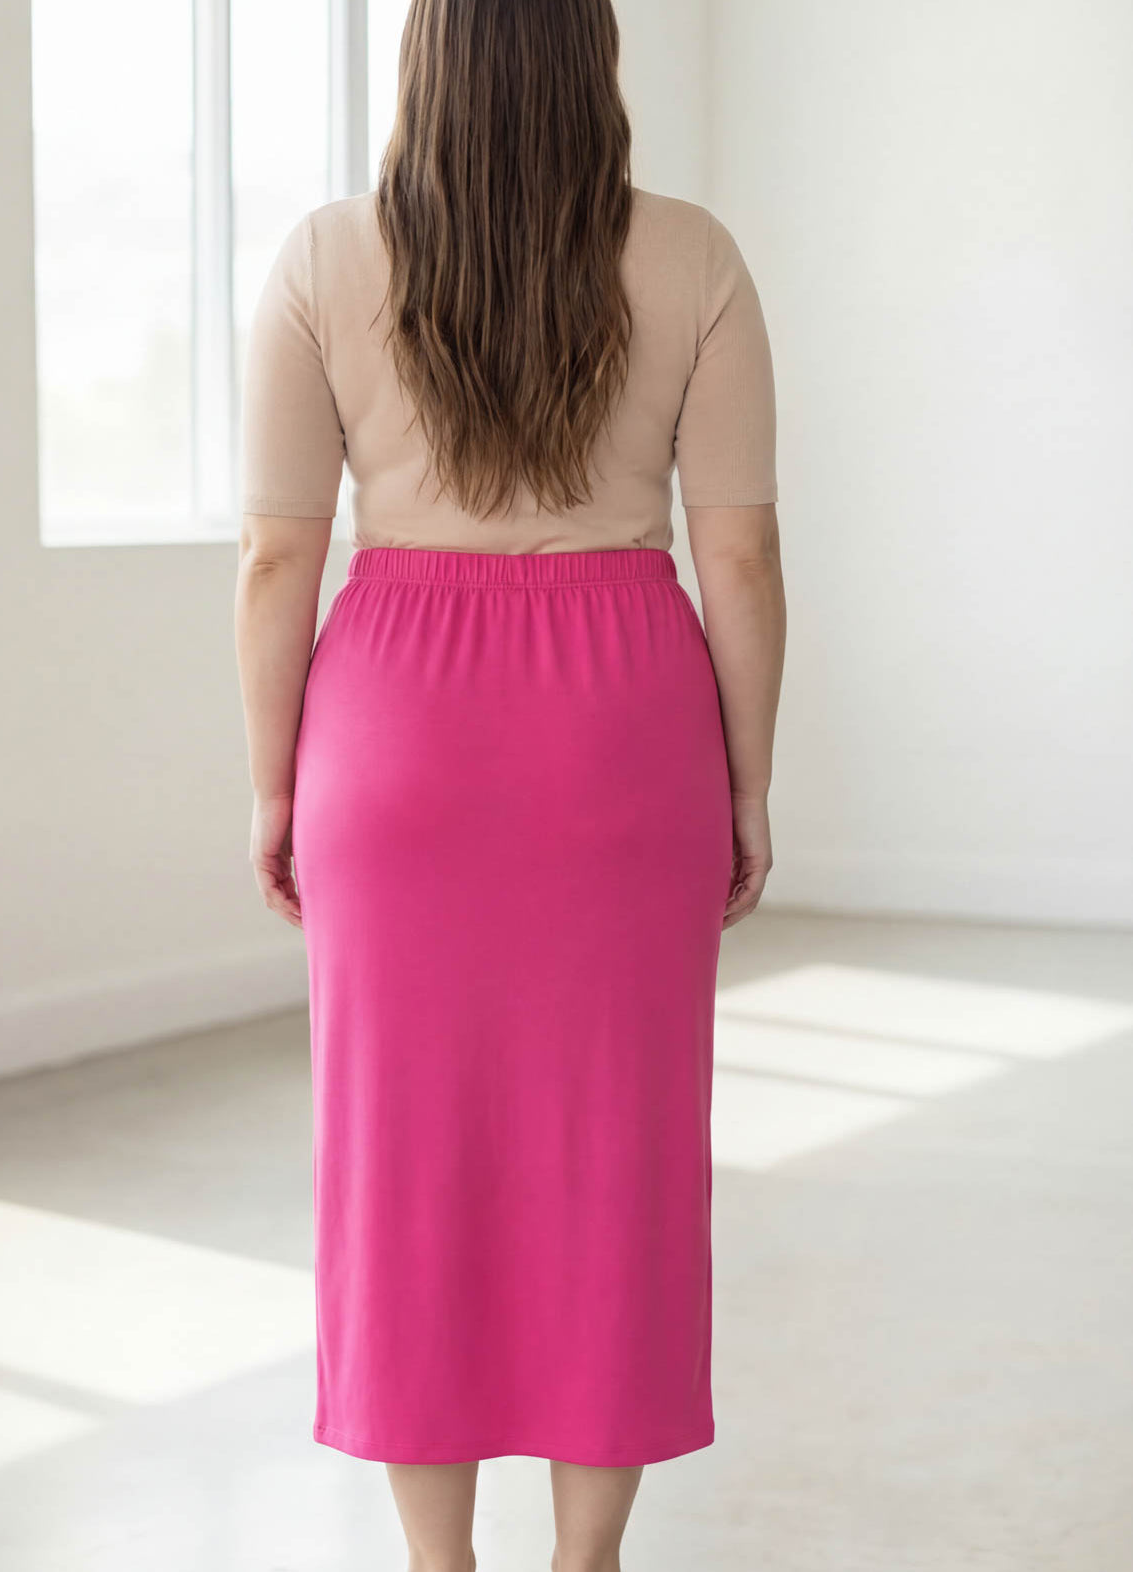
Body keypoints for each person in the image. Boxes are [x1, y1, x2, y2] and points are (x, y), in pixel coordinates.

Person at [233, 1, 786, 1567]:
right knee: (617, 1150)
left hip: (391, 733)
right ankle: (586, 1556)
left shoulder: (322, 259)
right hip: (621, 734)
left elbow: (278, 552)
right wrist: (745, 788)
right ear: (589, 55)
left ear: (426, 58)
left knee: (403, 1156)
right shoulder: (694, 258)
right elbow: (736, 551)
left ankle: (436, 1560)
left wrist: (276, 786)